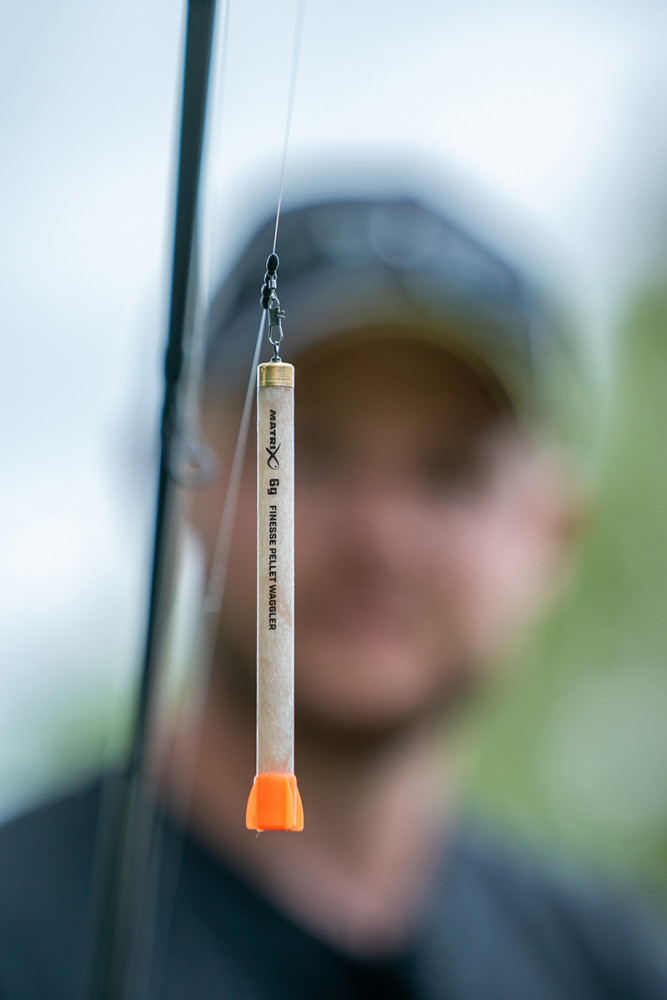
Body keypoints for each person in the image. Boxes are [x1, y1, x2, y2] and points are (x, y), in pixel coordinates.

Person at [0, 191, 665, 999]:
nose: (378, 538)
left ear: (551, 535)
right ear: (178, 483)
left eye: (450, 472)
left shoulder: (615, 969)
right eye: (306, 451)